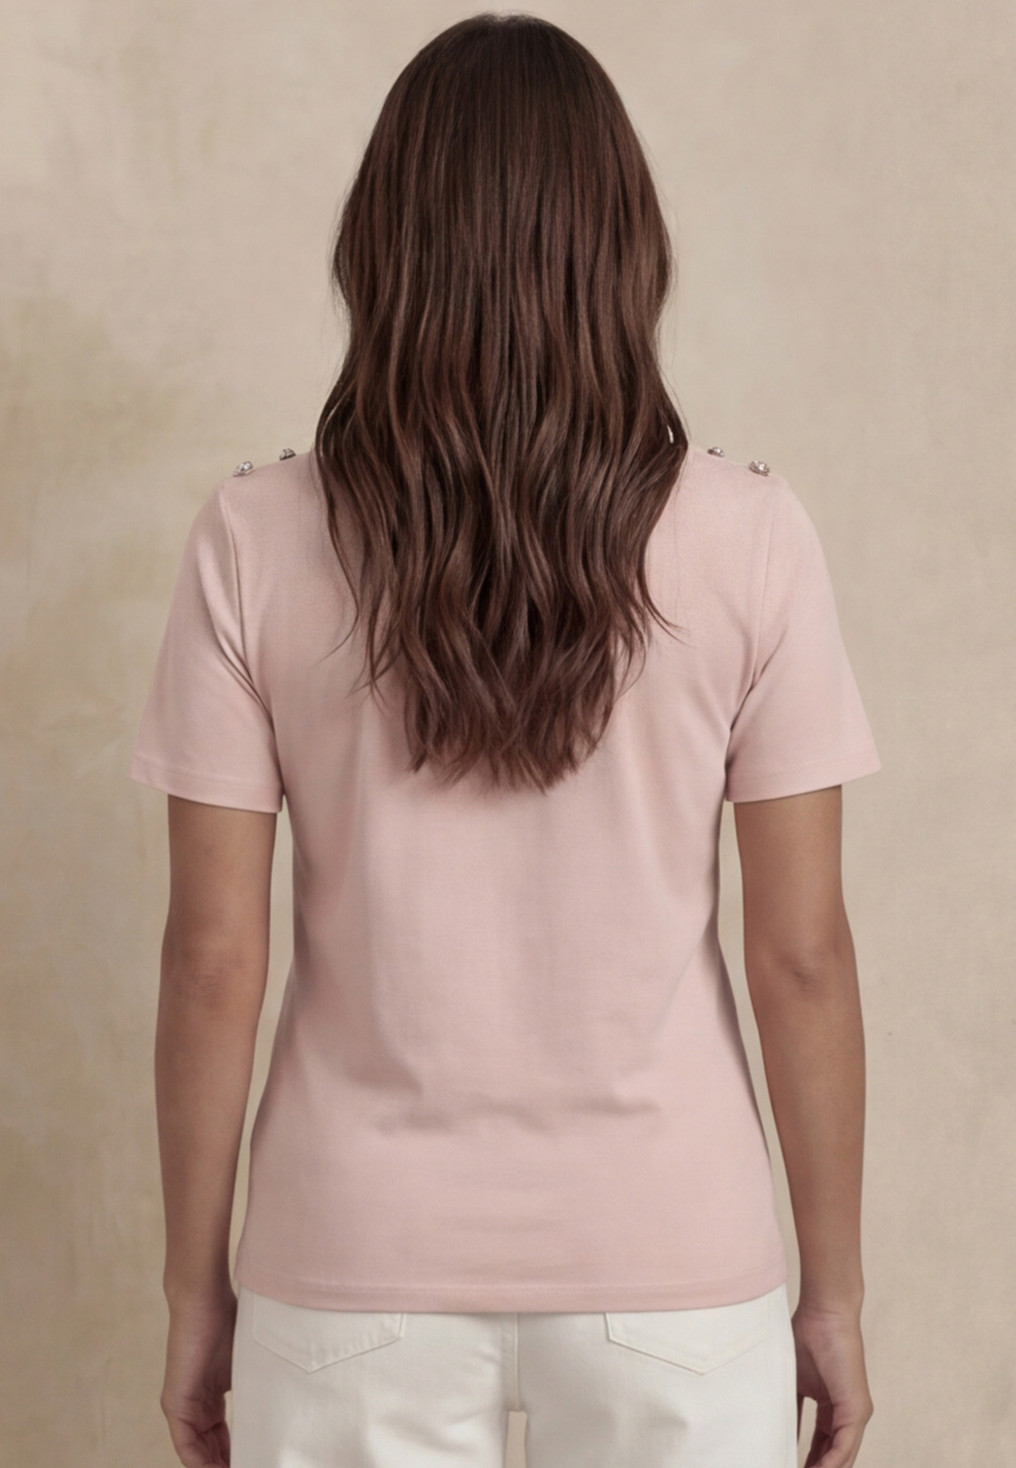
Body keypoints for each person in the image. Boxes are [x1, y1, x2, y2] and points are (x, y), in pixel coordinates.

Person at [127, 13, 878, 1468]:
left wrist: (193, 1292)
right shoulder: (751, 535)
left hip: (348, 1263)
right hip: (676, 1266)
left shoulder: (255, 537)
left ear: (381, 248)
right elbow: (802, 956)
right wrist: (834, 1294)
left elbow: (213, 962)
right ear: (624, 248)